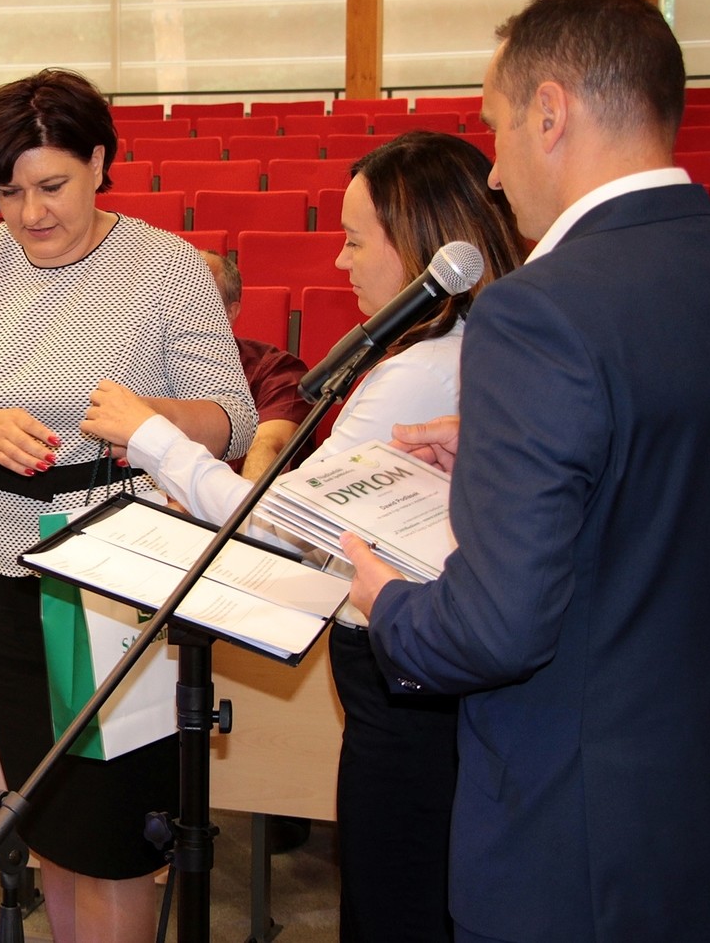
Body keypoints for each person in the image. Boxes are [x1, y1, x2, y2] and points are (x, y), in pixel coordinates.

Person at [342, 0, 710, 943]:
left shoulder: (536, 311)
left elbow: (495, 628)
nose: (492, 175)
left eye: (495, 129)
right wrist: (511, 450)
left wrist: (388, 604)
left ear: (549, 112)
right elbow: (680, 474)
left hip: (580, 842)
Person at [82, 130, 524, 943]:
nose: (340, 262)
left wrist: (152, 439)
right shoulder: (475, 346)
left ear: (421, 248)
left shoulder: (418, 372)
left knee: (393, 905)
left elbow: (278, 529)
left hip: (406, 697)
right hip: (434, 680)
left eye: (356, 240)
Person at [0, 68, 257, 942]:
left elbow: (233, 418)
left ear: (98, 161)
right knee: (45, 808)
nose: (30, 213)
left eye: (51, 186)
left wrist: (152, 419)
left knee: (116, 827)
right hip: (10, 570)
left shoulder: (165, 267)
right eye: (9, 193)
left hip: (120, 582)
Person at [200, 250, 311, 481]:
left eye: (194, 300)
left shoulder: (275, 371)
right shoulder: (136, 365)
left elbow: (268, 446)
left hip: (229, 500)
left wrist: (247, 504)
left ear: (229, 313)